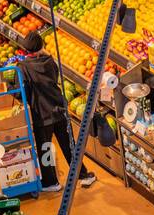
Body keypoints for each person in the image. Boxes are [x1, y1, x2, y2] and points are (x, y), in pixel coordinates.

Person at [17, 32, 96, 191]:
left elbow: (21, 92)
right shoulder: (49, 61)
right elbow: (54, 78)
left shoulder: (23, 68)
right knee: (69, 146)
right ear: (41, 46)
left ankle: (50, 182)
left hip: (41, 114)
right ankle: (83, 175)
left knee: (45, 148)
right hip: (58, 109)